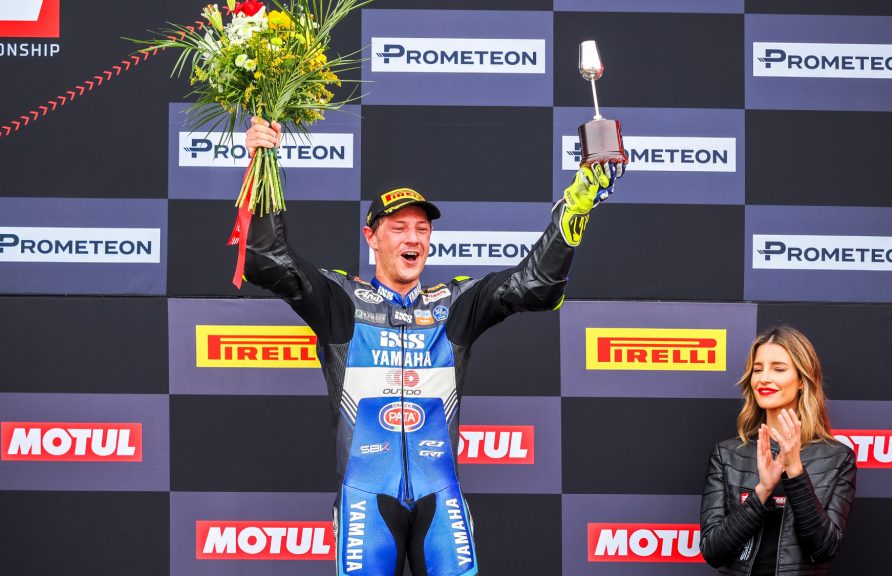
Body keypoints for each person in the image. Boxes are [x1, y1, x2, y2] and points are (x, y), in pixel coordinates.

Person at [243, 116, 621, 576]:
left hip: (440, 497)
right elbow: (266, 262)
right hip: (365, 498)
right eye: (399, 227)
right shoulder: (340, 301)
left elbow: (536, 284)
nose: (413, 239)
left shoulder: (455, 304)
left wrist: (576, 207)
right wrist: (262, 165)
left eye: (422, 229)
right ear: (371, 237)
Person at [699, 326, 856, 575]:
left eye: (778, 369)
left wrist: (795, 471)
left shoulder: (837, 458)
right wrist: (762, 491)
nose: (764, 378)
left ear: (802, 380)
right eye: (757, 369)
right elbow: (713, 551)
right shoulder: (727, 454)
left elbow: (824, 549)